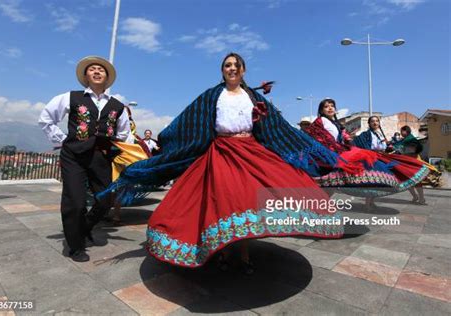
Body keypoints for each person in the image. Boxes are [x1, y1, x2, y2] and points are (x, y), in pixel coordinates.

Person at [98, 52, 344, 274]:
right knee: (225, 201)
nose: (232, 69)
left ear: (244, 70)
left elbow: (276, 127)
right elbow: (188, 120)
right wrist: (168, 139)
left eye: (237, 65)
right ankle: (223, 250)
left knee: (249, 201)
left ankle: (244, 253)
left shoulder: (254, 97)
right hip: (222, 152)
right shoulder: (211, 96)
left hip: (251, 152)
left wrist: (313, 150)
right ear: (222, 70)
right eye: (228, 65)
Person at [39, 56, 130, 262]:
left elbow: (124, 134)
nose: (97, 71)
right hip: (74, 155)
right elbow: (46, 119)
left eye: (101, 70)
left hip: (101, 157)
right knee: (75, 202)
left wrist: (116, 150)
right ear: (86, 76)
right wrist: (63, 140)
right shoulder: (69, 97)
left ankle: (85, 226)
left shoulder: (118, 105)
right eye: (92, 69)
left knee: (105, 200)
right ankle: (76, 246)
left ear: (107, 78)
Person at [306, 99, 430, 203]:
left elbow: (345, 136)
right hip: (328, 154)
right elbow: (314, 135)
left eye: (332, 106)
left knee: (334, 183)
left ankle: (321, 205)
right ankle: (318, 205)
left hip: (338, 152)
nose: (330, 108)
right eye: (326, 106)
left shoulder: (337, 124)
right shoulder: (320, 121)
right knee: (335, 180)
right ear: (321, 110)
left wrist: (349, 141)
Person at [110, 105, 150, 224]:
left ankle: (116, 215)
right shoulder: (113, 123)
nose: (124, 114)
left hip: (126, 157)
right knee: (112, 188)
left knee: (119, 187)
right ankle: (109, 212)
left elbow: (132, 140)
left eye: (126, 113)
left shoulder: (131, 128)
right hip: (114, 156)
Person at [394, 125, 427, 204]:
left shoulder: (411, 139)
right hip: (406, 162)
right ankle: (416, 197)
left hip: (412, 162)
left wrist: (399, 149)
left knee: (417, 180)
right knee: (407, 181)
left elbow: (410, 150)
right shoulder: (406, 139)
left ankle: (421, 198)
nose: (401, 133)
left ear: (406, 131)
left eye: (402, 131)